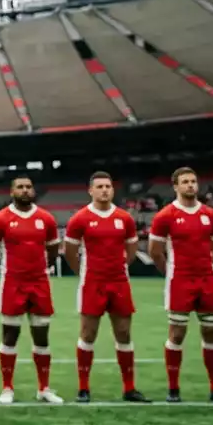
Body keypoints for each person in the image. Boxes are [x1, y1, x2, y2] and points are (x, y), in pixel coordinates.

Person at [147, 167, 213, 403]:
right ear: (175, 186)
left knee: (210, 332)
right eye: (185, 182)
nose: (190, 185)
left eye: (193, 181)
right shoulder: (165, 215)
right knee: (177, 334)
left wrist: (208, 263)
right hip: (180, 281)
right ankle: (173, 389)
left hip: (206, 280)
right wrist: (171, 272)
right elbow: (154, 251)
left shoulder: (210, 215)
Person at [63, 172, 150, 403]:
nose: (104, 190)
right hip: (92, 282)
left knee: (123, 333)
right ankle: (83, 388)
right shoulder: (80, 218)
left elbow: (131, 250)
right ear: (90, 191)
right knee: (88, 334)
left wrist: (119, 267)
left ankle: (129, 388)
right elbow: (70, 252)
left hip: (119, 281)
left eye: (108, 186)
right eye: (99, 186)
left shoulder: (125, 218)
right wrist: (82, 271)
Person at [0, 176, 63, 404]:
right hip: (13, 284)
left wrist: (39, 270)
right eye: (20, 187)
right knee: (10, 335)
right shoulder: (0, 219)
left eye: (29, 187)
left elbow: (54, 250)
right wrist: (5, 271)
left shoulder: (45, 218)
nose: (25, 190)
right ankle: (7, 388)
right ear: (12, 191)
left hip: (39, 284)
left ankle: (44, 388)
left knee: (42, 337)